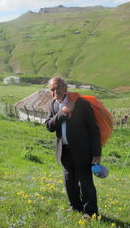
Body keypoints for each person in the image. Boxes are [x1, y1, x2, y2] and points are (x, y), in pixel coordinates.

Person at [45, 77, 101, 218]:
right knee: (69, 180)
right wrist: (63, 113)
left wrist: (96, 153)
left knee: (85, 181)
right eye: (52, 89)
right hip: (64, 151)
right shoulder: (52, 105)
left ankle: (90, 211)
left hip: (82, 150)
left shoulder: (80, 103)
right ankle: (75, 207)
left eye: (57, 87)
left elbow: (93, 129)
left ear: (65, 87)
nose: (55, 91)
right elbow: (49, 126)